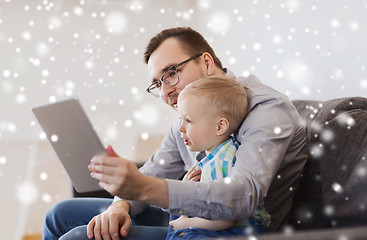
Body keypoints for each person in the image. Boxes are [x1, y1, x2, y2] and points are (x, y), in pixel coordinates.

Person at [43, 27, 307, 240]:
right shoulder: (185, 116)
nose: (166, 90)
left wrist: (146, 188)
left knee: (78, 237)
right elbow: (156, 169)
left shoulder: (266, 108)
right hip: (188, 217)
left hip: (228, 231)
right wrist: (120, 205)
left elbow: (243, 196)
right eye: (157, 84)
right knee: (59, 214)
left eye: (171, 73)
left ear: (206, 62)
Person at [166, 75, 271, 239]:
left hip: (239, 232)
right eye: (181, 119)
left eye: (189, 120)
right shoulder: (217, 155)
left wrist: (187, 223)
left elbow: (225, 219)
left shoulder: (222, 161)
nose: (180, 128)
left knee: (180, 234)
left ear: (220, 126)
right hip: (223, 226)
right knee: (176, 214)